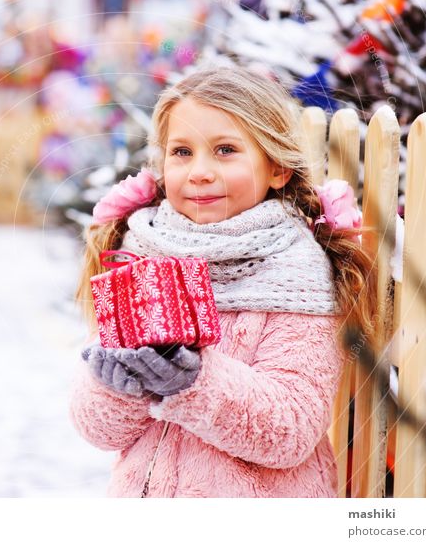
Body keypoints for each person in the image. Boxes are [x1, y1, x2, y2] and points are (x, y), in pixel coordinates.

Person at [68, 64, 376, 498]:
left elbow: (290, 430)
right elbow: (99, 431)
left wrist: (194, 380)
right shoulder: (141, 254)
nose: (199, 171)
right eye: (182, 152)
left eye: (226, 150)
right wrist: (117, 387)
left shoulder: (295, 274)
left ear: (277, 169)